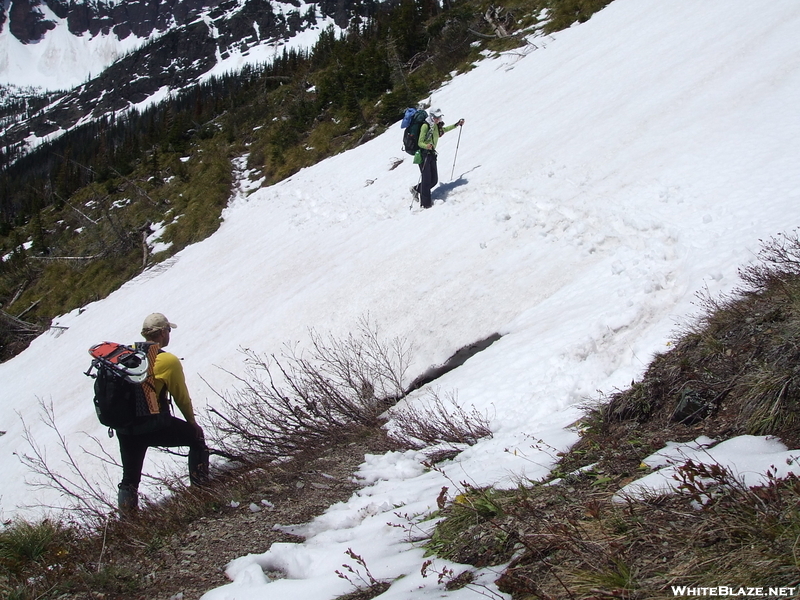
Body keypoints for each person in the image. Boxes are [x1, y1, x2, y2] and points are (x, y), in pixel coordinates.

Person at [116, 313, 209, 513]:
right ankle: (202, 495)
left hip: (125, 427)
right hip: (153, 425)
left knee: (130, 478)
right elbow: (181, 397)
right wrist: (192, 423)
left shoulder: (125, 355)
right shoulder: (167, 361)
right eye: (168, 330)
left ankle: (126, 525)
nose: (169, 334)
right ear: (162, 333)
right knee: (196, 439)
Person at [410, 108, 464, 209]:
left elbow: (444, 130)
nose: (438, 119)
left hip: (432, 154)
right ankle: (425, 205)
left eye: (439, 117)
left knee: (434, 180)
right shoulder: (425, 126)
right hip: (424, 155)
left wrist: (456, 124)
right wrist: (427, 146)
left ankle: (416, 189)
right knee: (426, 180)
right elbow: (420, 142)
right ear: (432, 116)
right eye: (437, 117)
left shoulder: (435, 126)